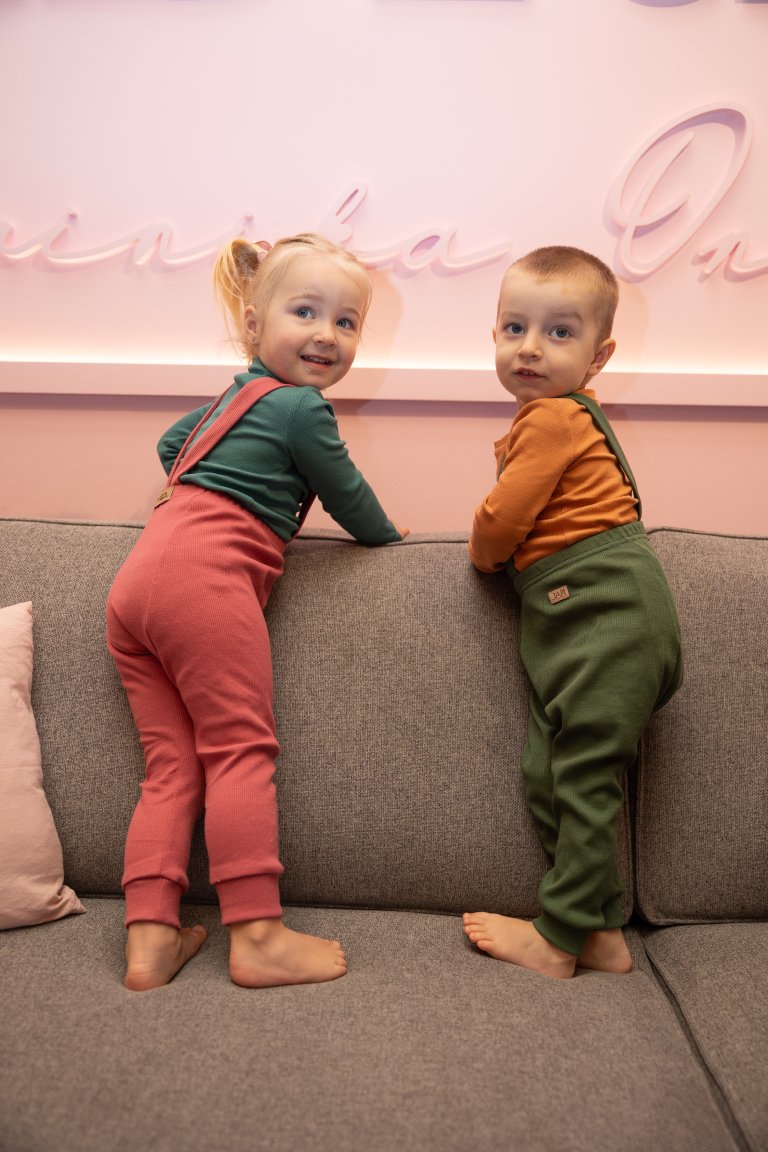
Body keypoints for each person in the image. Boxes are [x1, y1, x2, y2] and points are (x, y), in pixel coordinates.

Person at [106, 232, 406, 992]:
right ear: (252, 323)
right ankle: (258, 934)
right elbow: (346, 494)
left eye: (346, 322)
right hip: (202, 584)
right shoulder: (302, 408)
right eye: (305, 312)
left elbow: (171, 444)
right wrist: (385, 537)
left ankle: (150, 939)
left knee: (171, 765)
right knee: (240, 749)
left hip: (137, 584)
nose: (326, 334)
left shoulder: (227, 403)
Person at [462, 246, 683, 979]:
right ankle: (600, 929)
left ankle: (557, 940)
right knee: (549, 771)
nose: (530, 347)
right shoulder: (557, 418)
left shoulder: (552, 419)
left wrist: (483, 555)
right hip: (581, 621)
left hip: (608, 614)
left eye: (559, 332)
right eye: (514, 328)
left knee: (582, 779)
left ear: (598, 356)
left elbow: (502, 520)